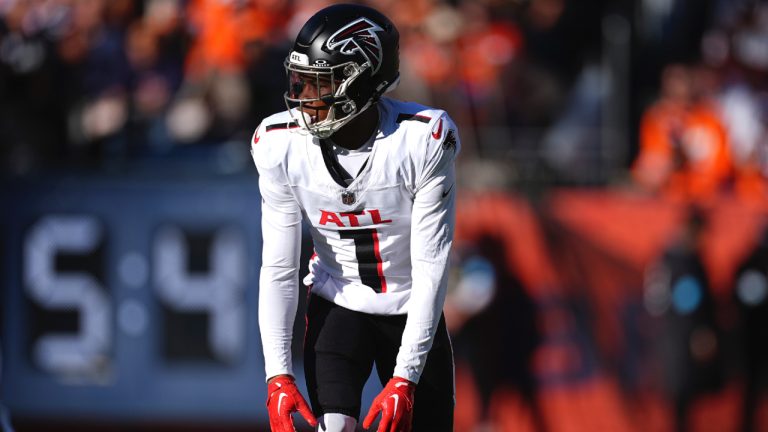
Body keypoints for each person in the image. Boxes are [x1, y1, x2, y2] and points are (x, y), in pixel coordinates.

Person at [251, 4, 460, 432]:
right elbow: (278, 268)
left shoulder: (421, 139)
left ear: (363, 81)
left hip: (410, 308)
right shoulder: (278, 143)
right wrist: (277, 375)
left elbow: (431, 270)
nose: (304, 97)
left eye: (319, 82)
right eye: (300, 80)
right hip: (338, 303)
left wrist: (405, 376)